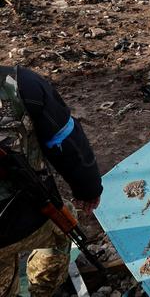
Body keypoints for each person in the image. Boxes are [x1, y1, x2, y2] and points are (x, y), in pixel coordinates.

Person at [0, 66, 102, 297]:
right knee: (64, 227)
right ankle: (45, 290)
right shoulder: (22, 84)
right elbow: (68, 144)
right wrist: (88, 191)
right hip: (27, 218)